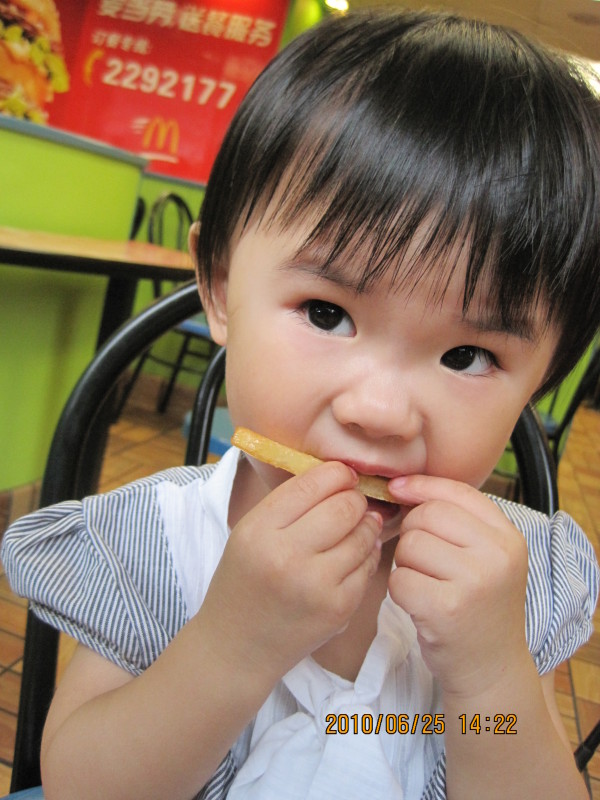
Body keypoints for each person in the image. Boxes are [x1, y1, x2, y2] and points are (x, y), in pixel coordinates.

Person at [3, 9, 600, 800]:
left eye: (468, 356)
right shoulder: (153, 546)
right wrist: (230, 646)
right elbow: (79, 788)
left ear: (542, 377)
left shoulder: (516, 586)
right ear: (220, 288)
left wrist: (491, 675)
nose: (380, 410)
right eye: (326, 313)